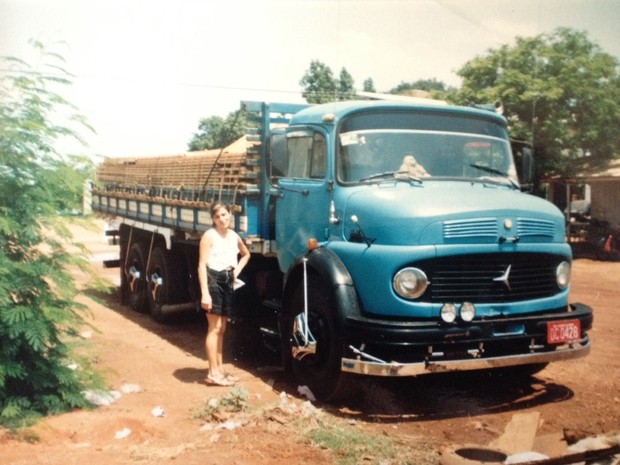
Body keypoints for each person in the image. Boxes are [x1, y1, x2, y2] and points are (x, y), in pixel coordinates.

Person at [198, 203, 250, 386]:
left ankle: (220, 370)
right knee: (214, 328)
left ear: (230, 215)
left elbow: (246, 254)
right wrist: (205, 293)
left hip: (228, 279)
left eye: (225, 215)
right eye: (218, 216)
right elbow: (201, 265)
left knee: (222, 328)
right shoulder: (209, 236)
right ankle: (212, 373)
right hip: (213, 279)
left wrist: (236, 272)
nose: (222, 219)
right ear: (213, 219)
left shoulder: (233, 236)